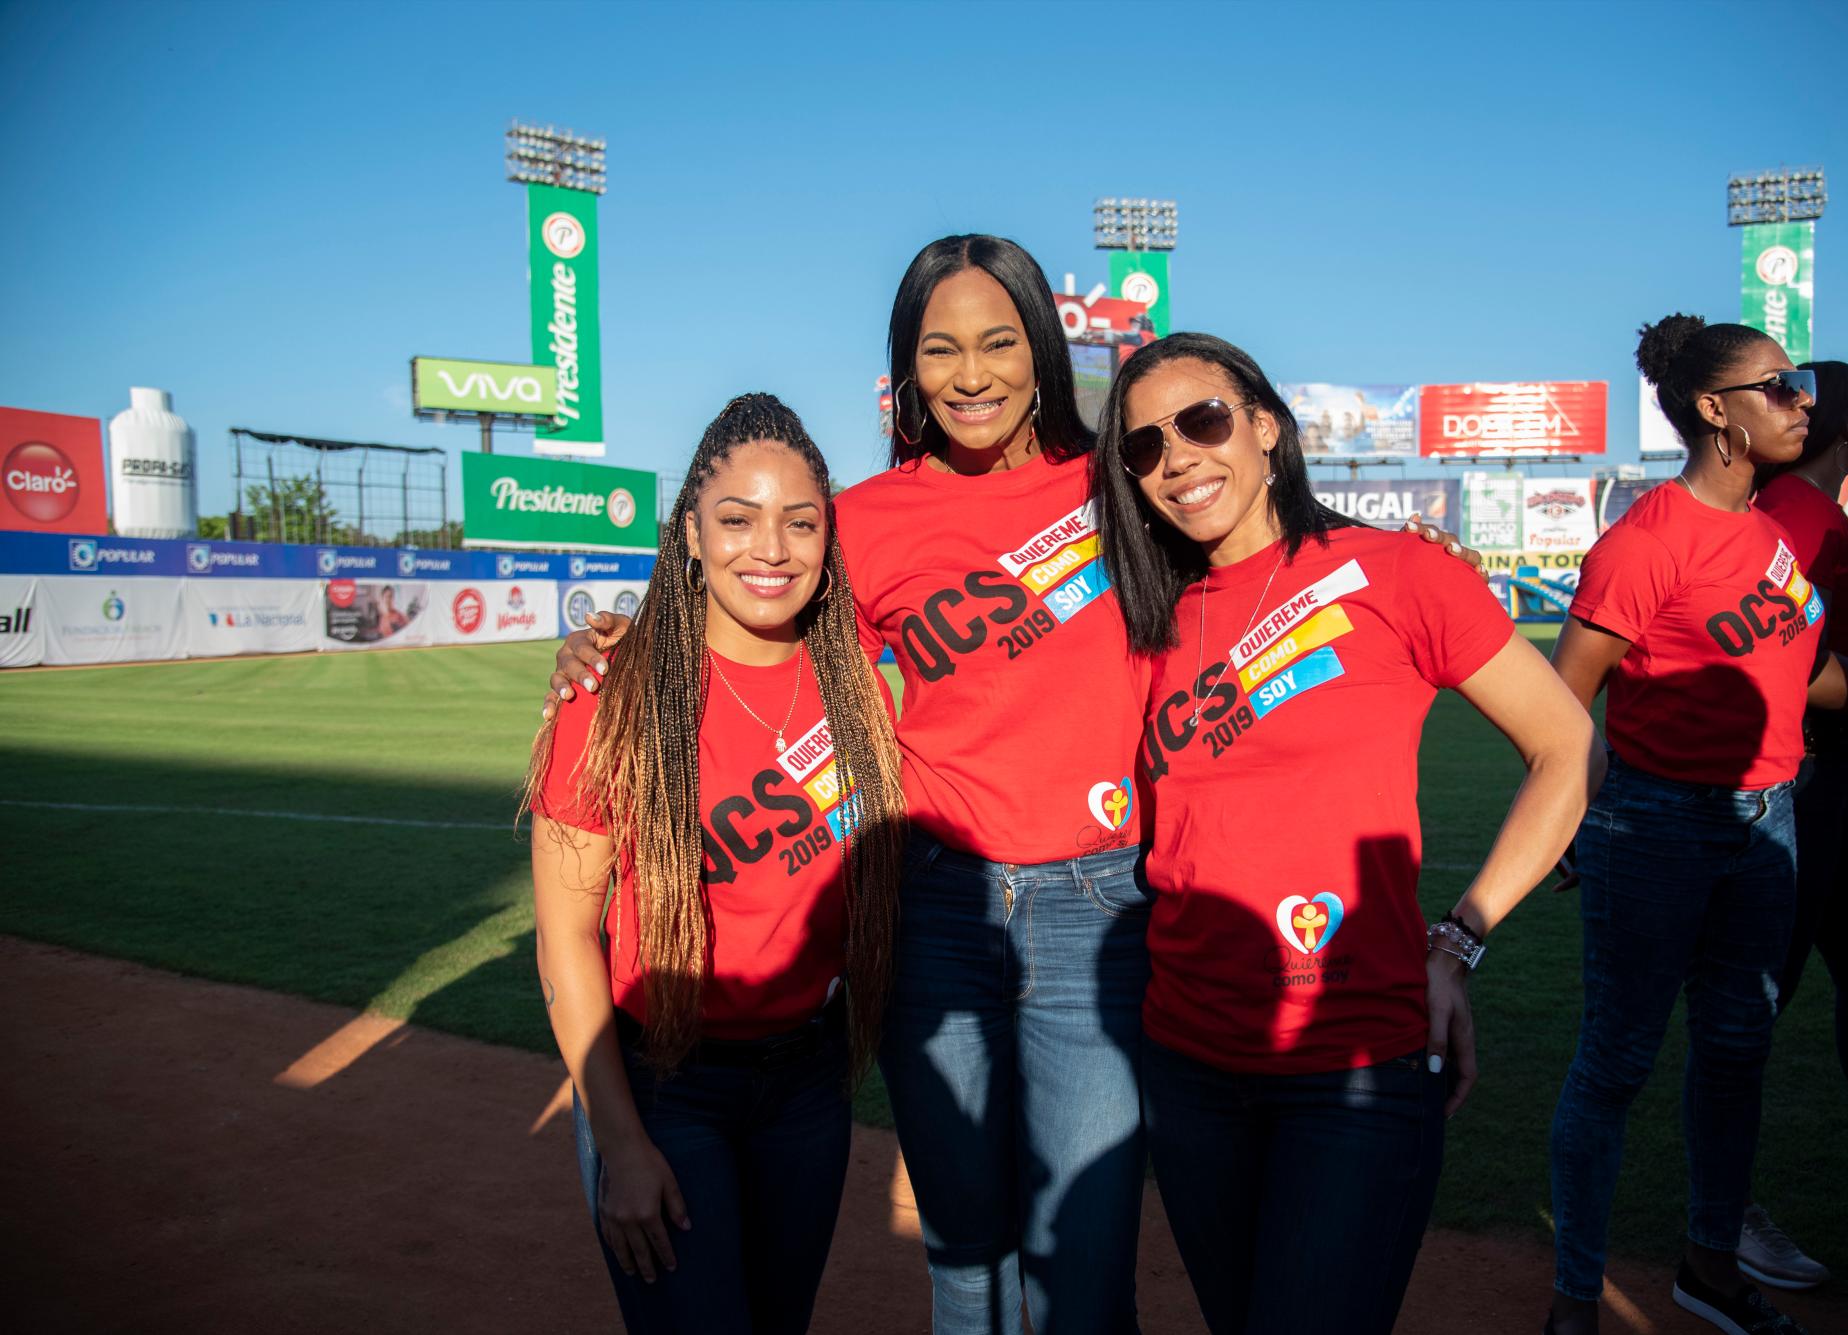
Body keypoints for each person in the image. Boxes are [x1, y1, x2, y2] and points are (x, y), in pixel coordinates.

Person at [539, 236, 1480, 1334]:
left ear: (1043, 352)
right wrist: (611, 639)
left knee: (1082, 1269)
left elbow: (1251, 568)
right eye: (940, 348)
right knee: (966, 1258)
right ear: (906, 369)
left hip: (1106, 915)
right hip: (934, 910)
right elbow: (755, 603)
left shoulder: (1120, 483)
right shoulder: (862, 519)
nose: (971, 373)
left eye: (999, 341)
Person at [1090, 332, 1593, 1335]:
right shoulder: (1143, 617)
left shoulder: (1399, 576)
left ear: (1265, 425)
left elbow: (1566, 747)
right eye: (1143, 448)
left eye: (1200, 421)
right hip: (1186, 1067)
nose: (1177, 459)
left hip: (1353, 1069)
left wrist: (1459, 940)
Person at [1543, 316, 1848, 1335]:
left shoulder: (1763, 533)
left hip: (1768, 824)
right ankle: (1573, 1299)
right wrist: (1571, 812)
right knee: (1615, 1062)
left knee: (1735, 1048)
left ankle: (1707, 1266)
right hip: (1655, 826)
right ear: (1713, 410)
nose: (1803, 402)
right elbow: (1560, 694)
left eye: (1800, 387)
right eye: (1780, 386)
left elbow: (1803, 670)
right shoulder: (1645, 541)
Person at [524, 394, 905, 1333]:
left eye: (800, 521)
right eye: (737, 519)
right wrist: (620, 1140)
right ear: (688, 533)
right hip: (666, 1081)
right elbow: (565, 938)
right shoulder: (612, 687)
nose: (769, 547)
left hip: (809, 1082)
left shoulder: (854, 665)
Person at [1737, 360, 1848, 1288]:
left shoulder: (1818, 512)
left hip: (1830, 780)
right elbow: (1778, 658)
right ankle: (1727, 1206)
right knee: (1757, 1003)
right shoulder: (1798, 511)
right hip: (1793, 787)